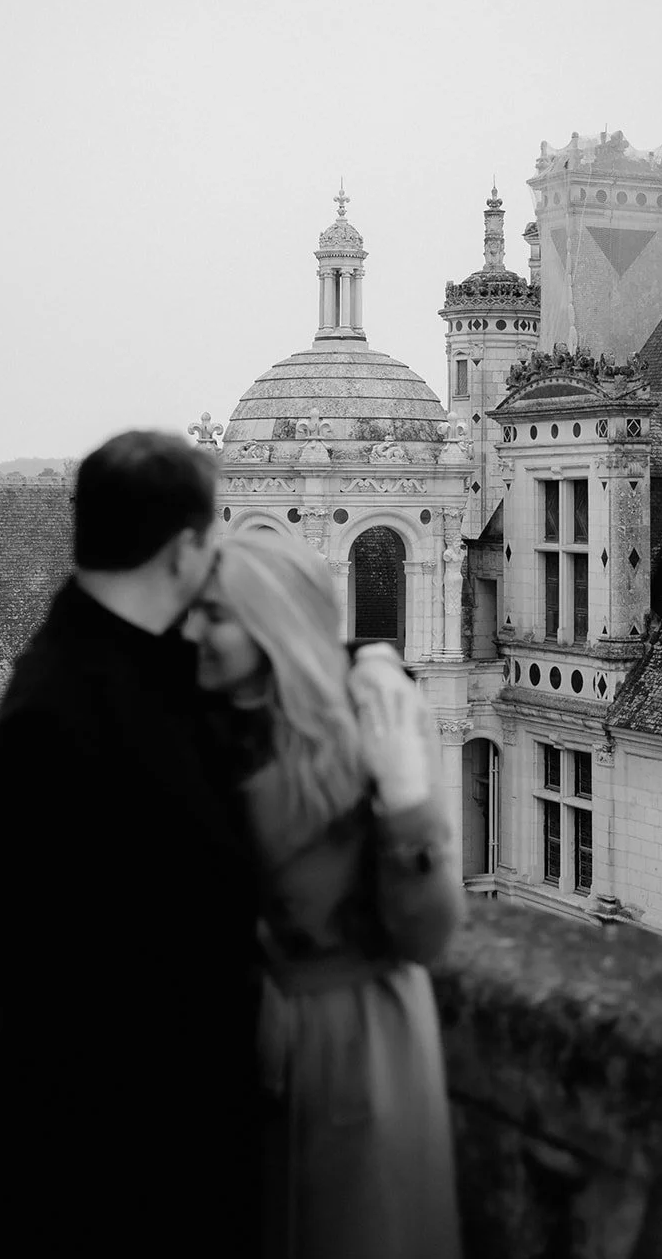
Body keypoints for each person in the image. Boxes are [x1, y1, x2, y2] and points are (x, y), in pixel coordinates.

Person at [0, 430, 261, 1259]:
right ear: (183, 549)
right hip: (110, 1151)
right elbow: (9, 944)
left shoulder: (112, 667)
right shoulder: (66, 710)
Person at [187, 530, 463, 1259]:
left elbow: (429, 929)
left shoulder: (368, 726)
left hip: (352, 1043)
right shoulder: (212, 729)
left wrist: (406, 794)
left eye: (214, 615)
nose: (192, 633)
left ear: (270, 621)